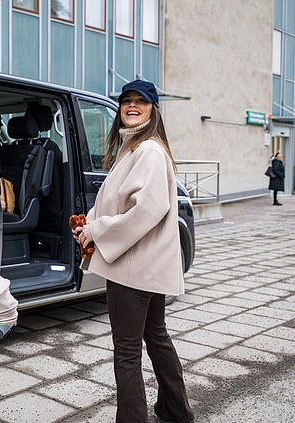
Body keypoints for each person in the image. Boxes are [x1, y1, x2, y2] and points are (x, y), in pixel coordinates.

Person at [72, 80, 194, 423]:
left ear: (153, 109)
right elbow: (117, 200)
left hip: (134, 268)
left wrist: (97, 230)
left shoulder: (148, 151)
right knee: (156, 337)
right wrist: (90, 225)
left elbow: (146, 210)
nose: (132, 106)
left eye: (141, 101)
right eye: (127, 100)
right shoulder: (133, 148)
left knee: (127, 352)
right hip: (144, 267)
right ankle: (175, 410)